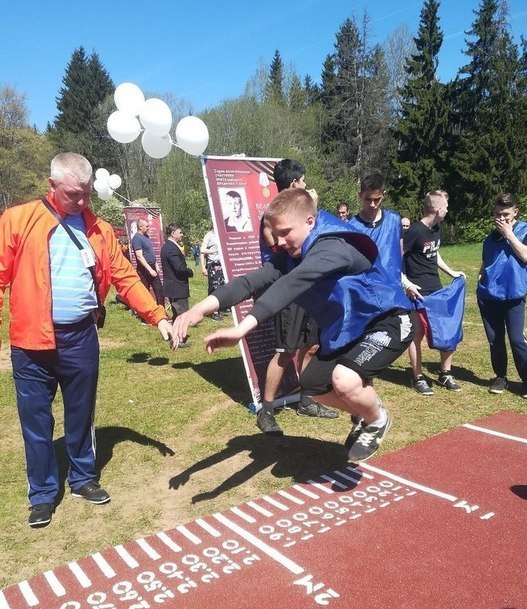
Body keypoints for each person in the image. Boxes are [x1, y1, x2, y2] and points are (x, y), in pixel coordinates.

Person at [172, 188, 413, 463]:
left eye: (286, 232)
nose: (280, 241)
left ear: (310, 222)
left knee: (344, 381)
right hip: (349, 330)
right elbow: (251, 282)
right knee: (312, 385)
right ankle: (365, 409)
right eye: (276, 234)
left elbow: (291, 284)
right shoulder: (292, 255)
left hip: (388, 320)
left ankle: (376, 418)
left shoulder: (333, 245)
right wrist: (197, 310)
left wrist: (241, 329)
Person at [0, 152, 172, 529]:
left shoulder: (99, 229)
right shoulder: (17, 220)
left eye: (87, 193)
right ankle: (43, 494)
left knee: (81, 415)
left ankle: (82, 478)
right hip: (31, 341)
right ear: (52, 186)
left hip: (80, 337)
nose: (82, 202)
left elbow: (126, 277)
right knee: (36, 422)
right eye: (74, 194)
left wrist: (157, 316)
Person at [256, 158, 338, 434]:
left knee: (312, 346)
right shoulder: (271, 216)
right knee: (285, 351)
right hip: (288, 291)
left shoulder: (302, 212)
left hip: (310, 287)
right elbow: (279, 249)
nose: (306, 185)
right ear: (294, 183)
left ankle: (307, 400)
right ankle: (265, 411)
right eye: (302, 181)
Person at [403, 190, 466, 396]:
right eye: (446, 207)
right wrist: (407, 284)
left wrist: (451, 272)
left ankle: (445, 373)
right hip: (417, 293)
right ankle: (418, 377)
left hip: (436, 290)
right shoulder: (414, 231)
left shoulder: (436, 228)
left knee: (446, 330)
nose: (448, 210)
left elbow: (434, 253)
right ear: (438, 209)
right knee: (417, 335)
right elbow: (394, 258)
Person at [477, 193, 527, 398]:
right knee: (495, 340)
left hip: (514, 294)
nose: (501, 219)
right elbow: (486, 263)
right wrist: (480, 277)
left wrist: (509, 234)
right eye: (497, 215)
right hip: (489, 296)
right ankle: (500, 376)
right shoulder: (489, 239)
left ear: (515, 212)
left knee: (516, 339)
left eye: (505, 215)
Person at [160, 223, 194, 320]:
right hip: (177, 287)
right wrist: (190, 271)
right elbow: (179, 268)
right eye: (180, 232)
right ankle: (179, 334)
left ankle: (175, 333)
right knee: (182, 315)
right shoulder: (171, 248)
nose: (182, 235)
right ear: (173, 233)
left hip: (174, 287)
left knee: (177, 315)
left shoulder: (168, 246)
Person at [131, 217, 164, 306]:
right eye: (146, 226)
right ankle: (145, 316)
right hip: (144, 270)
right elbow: (139, 256)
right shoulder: (136, 238)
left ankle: (162, 312)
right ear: (140, 227)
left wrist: (156, 265)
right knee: (145, 293)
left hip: (152, 267)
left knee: (159, 290)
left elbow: (150, 252)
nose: (148, 227)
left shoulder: (146, 237)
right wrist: (150, 270)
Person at [200, 227, 225, 321]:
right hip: (213, 265)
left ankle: (218, 307)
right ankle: (214, 312)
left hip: (221, 264)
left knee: (221, 286)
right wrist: (203, 267)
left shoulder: (220, 234)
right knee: (215, 287)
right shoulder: (209, 236)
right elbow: (202, 251)